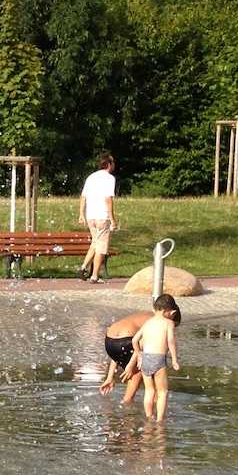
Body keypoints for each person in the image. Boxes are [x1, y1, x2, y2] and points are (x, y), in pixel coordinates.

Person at [99, 300, 181, 403]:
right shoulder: (156, 322)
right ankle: (127, 404)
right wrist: (131, 365)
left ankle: (136, 403)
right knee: (142, 368)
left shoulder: (147, 316)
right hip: (125, 339)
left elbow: (118, 352)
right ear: (171, 315)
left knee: (142, 366)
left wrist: (110, 377)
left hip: (109, 341)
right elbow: (142, 346)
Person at [131, 294, 182, 421]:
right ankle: (159, 421)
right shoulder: (168, 323)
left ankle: (149, 417)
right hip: (158, 359)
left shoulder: (148, 323)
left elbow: (134, 340)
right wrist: (174, 360)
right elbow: (171, 341)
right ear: (170, 312)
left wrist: (139, 354)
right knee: (163, 392)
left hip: (145, 358)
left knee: (149, 391)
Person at [78, 154, 118, 283]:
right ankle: (94, 276)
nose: (114, 165)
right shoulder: (110, 178)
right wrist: (112, 219)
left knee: (95, 243)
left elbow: (83, 196)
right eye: (113, 163)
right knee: (101, 247)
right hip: (103, 216)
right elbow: (108, 199)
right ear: (109, 164)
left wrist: (81, 214)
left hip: (91, 216)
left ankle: (83, 267)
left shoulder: (91, 177)